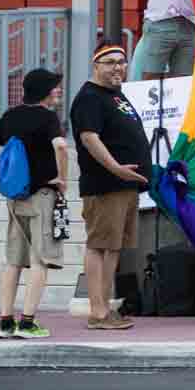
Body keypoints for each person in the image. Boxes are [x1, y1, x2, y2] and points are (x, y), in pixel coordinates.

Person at [0, 67, 71, 340]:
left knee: (13, 261)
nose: (58, 91)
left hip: (15, 197)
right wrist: (62, 179)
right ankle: (28, 323)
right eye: (55, 87)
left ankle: (5, 322)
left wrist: (2, 175)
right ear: (44, 90)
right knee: (40, 260)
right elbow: (61, 147)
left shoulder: (11, 116)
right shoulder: (47, 118)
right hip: (43, 195)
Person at [69, 43, 151, 330]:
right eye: (110, 62)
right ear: (96, 65)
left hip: (125, 185)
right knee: (100, 245)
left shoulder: (114, 95)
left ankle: (105, 307)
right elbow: (90, 138)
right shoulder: (90, 97)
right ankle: (97, 312)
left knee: (114, 248)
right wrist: (116, 168)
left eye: (122, 62)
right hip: (105, 185)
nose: (117, 67)